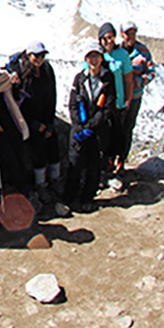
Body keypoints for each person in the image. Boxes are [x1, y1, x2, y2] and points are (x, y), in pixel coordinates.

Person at [64, 42, 115, 213]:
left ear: (101, 58)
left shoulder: (108, 79)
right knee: (75, 163)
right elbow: (72, 104)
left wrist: (92, 126)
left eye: (96, 56)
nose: (93, 60)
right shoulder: (80, 79)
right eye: (90, 56)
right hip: (79, 130)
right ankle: (70, 197)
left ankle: (87, 198)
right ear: (86, 59)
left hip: (97, 131)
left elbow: (108, 107)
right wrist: (78, 126)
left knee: (94, 165)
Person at [7, 42, 60, 205]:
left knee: (53, 142)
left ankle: (56, 179)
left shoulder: (47, 70)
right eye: (36, 55)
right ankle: (41, 184)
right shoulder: (22, 73)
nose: (39, 59)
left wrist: (48, 122)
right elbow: (21, 103)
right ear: (28, 56)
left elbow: (52, 96)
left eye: (42, 55)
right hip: (28, 120)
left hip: (44, 117)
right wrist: (35, 124)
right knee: (39, 144)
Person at [0, 51, 30, 194]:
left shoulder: (6, 79)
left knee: (19, 154)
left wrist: (17, 87)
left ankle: (24, 186)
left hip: (12, 122)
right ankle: (19, 188)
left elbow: (18, 100)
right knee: (9, 159)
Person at [97, 22, 134, 174]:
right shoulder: (96, 55)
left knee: (119, 134)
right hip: (102, 103)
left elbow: (128, 80)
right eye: (105, 38)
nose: (109, 41)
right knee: (102, 136)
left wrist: (127, 100)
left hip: (118, 103)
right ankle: (103, 167)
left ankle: (118, 163)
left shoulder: (122, 55)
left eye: (111, 37)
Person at [118, 20, 156, 168]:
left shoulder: (143, 51)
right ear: (122, 35)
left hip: (134, 97)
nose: (131, 37)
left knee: (128, 128)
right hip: (119, 97)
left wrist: (140, 81)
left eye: (133, 33)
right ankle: (110, 160)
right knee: (116, 127)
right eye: (128, 34)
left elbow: (151, 72)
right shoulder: (117, 51)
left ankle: (122, 160)